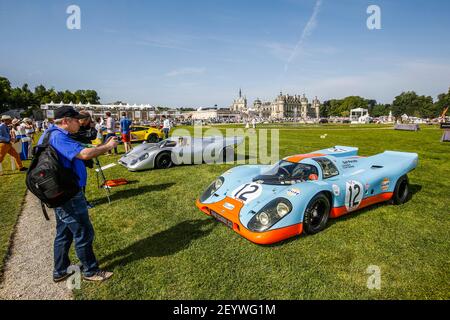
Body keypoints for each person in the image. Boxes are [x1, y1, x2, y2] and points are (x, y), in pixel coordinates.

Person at [38, 106, 119, 283]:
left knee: (64, 232)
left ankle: (60, 270)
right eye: (76, 120)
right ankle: (91, 271)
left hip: (61, 191)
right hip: (68, 193)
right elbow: (83, 154)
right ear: (66, 121)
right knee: (83, 231)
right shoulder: (58, 136)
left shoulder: (51, 133)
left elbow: (79, 149)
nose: (79, 122)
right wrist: (108, 146)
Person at [69, 111, 98, 209]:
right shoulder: (76, 128)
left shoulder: (80, 127)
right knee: (79, 180)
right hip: (79, 156)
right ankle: (81, 201)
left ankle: (81, 200)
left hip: (80, 155)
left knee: (81, 180)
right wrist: (92, 127)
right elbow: (91, 136)